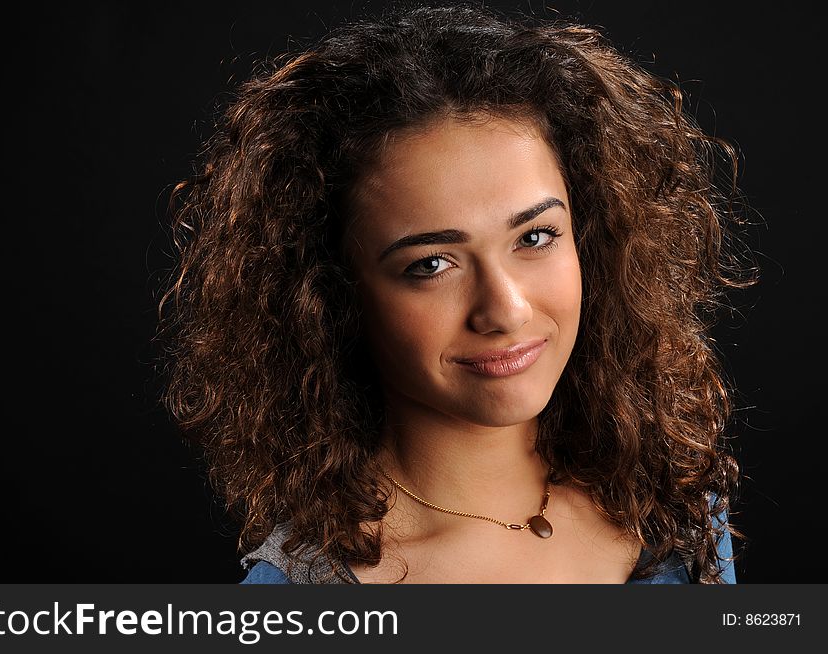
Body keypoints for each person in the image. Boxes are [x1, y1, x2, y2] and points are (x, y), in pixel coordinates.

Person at [159, 2, 754, 584]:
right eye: (432, 264)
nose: (506, 309)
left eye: (537, 236)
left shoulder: (676, 506)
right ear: (328, 296)